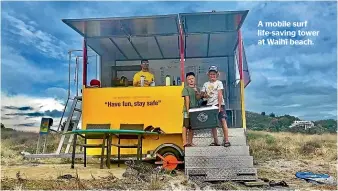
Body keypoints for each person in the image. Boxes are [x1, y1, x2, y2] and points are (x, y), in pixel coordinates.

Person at [201, 66, 231, 147]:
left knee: (223, 120)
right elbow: (202, 95)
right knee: (212, 124)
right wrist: (204, 95)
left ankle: (226, 140)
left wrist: (219, 106)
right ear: (208, 75)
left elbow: (220, 94)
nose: (212, 75)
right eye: (211, 74)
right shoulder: (205, 84)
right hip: (210, 105)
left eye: (214, 74)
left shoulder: (219, 83)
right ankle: (216, 141)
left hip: (219, 104)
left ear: (217, 74)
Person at [182, 72, 201, 147]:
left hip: (195, 110)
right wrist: (188, 110)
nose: (191, 80)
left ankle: (190, 142)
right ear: (187, 81)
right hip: (187, 110)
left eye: (192, 78)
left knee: (192, 126)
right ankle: (184, 142)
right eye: (189, 79)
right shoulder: (186, 89)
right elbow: (187, 100)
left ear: (195, 79)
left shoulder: (197, 88)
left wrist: (197, 92)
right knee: (185, 126)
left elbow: (198, 98)